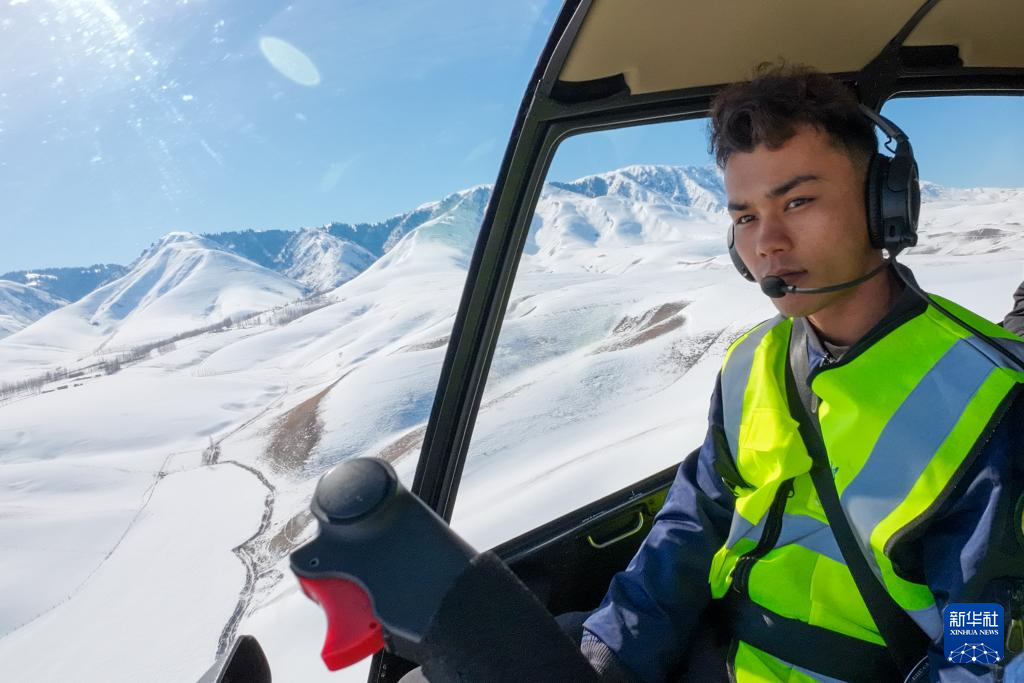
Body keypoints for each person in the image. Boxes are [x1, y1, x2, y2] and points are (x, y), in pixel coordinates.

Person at [580, 66, 1024, 682]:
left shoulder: (987, 396)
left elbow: (982, 642)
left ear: (884, 204)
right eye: (745, 217)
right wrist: (611, 655)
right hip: (719, 653)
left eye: (797, 201)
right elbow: (692, 523)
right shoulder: (751, 361)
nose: (768, 242)